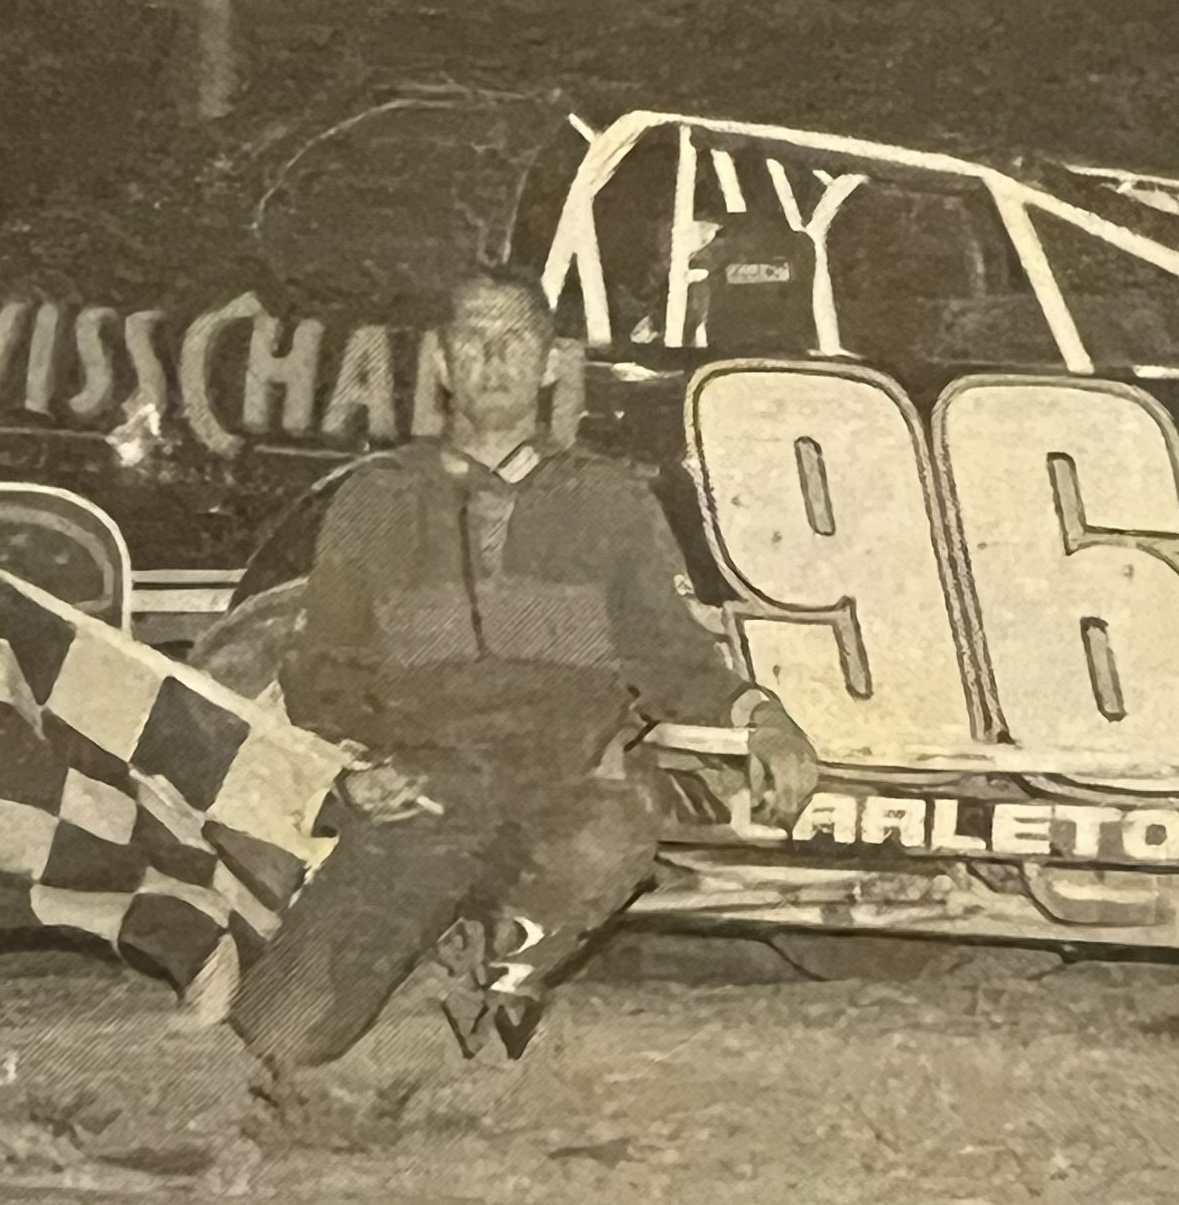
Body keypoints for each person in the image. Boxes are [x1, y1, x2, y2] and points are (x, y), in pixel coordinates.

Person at [227, 265, 818, 1080]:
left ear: (550, 364)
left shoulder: (608, 500)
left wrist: (764, 717)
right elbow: (321, 672)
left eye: (518, 340)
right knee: (281, 1042)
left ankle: (483, 984)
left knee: (613, 829)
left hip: (559, 784)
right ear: (440, 362)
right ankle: (386, 973)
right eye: (474, 339)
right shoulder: (376, 498)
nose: (496, 358)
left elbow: (669, 650)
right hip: (427, 788)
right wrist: (353, 771)